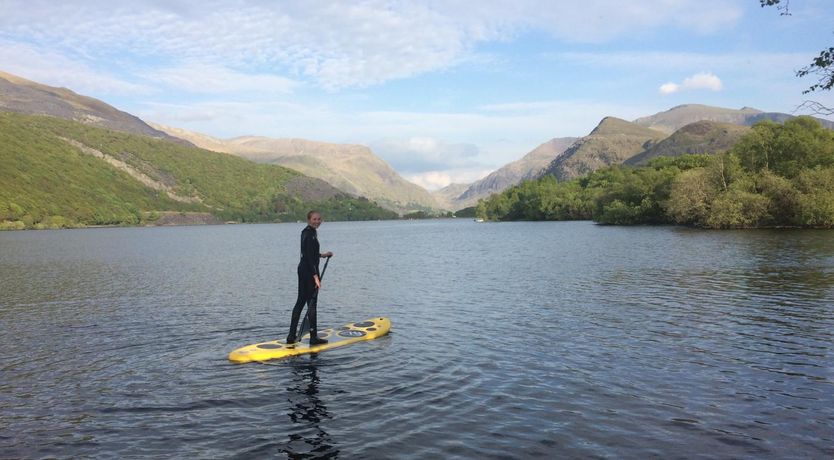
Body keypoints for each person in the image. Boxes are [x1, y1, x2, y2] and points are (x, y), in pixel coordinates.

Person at [287, 210, 333, 345]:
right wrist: (315, 276)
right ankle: (313, 338)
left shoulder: (307, 232)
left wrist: (322, 255)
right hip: (308, 272)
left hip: (303, 270)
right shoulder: (309, 234)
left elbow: (309, 253)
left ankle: (291, 336)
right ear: (308, 220)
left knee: (300, 302)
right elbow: (308, 257)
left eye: (319, 219)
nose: (317, 221)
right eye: (314, 219)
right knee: (312, 304)